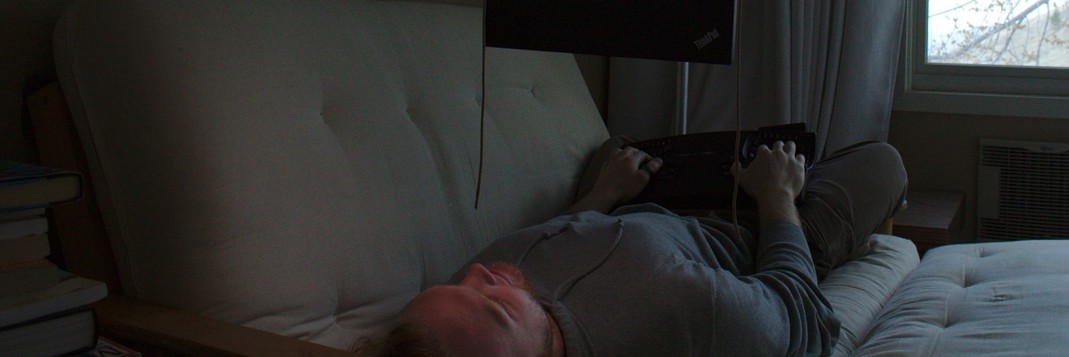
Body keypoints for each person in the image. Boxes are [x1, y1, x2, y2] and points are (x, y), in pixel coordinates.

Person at [374, 136, 907, 357]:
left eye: (456, 283)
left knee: (614, 147)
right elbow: (802, 318)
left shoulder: (473, 298)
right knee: (883, 160)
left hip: (633, 205)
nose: (484, 273)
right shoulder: (688, 306)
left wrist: (603, 193)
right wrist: (776, 196)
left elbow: (548, 239)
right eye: (493, 306)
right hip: (756, 228)